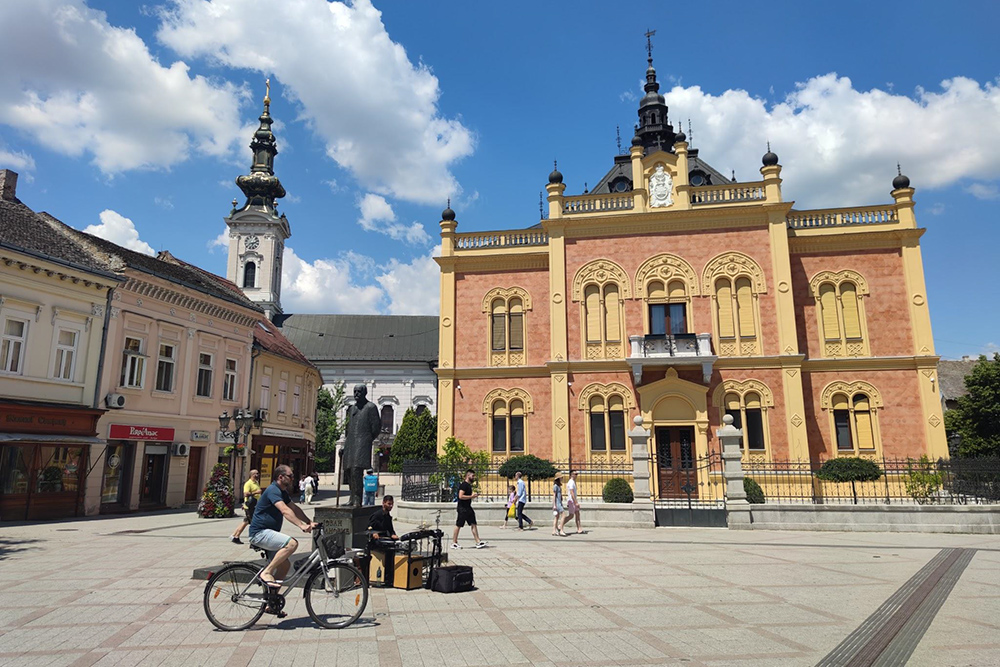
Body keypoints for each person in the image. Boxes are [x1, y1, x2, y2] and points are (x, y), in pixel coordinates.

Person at [248, 464, 318, 614]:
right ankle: (266, 572)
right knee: (292, 543)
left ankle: (271, 603)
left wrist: (308, 522)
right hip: (260, 533)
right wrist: (300, 526)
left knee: (285, 566)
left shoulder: (282, 492)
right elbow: (285, 511)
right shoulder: (273, 490)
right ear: (281, 477)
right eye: (290, 476)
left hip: (268, 533)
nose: (293, 478)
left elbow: (294, 508)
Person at [341, 384, 381, 506]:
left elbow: (376, 427)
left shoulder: (371, 407)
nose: (356, 394)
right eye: (355, 391)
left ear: (365, 393)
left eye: (359, 391)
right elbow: (349, 429)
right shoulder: (352, 409)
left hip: (362, 442)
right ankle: (352, 498)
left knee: (356, 470)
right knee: (348, 470)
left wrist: (367, 439)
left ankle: (357, 500)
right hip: (351, 442)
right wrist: (344, 446)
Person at [451, 469, 487, 549]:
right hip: (462, 508)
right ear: (468, 475)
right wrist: (471, 496)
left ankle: (478, 541)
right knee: (459, 524)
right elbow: (460, 496)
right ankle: (454, 542)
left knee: (473, 523)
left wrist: (472, 496)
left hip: (468, 508)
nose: (474, 477)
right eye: (472, 476)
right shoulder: (464, 485)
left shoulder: (468, 485)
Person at [230, 469, 261, 544]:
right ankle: (238, 536)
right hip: (250, 506)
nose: (258, 475)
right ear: (252, 475)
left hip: (254, 505)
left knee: (246, 521)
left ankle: (235, 535)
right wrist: (256, 492)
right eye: (256, 474)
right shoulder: (248, 483)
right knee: (253, 522)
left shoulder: (256, 483)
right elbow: (245, 494)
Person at [565, 469, 583, 534]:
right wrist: (576, 502)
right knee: (571, 516)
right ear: (571, 475)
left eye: (577, 474)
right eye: (575, 474)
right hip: (571, 501)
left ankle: (579, 528)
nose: (576, 475)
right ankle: (560, 525)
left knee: (577, 514)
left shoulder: (573, 482)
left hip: (573, 500)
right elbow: (572, 493)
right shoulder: (571, 482)